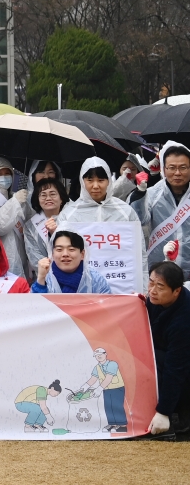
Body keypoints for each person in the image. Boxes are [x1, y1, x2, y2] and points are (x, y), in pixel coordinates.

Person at [0, 156, 46, 281]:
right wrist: (15, 203)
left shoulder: (16, 196)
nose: (4, 177)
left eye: (7, 173)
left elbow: (31, 221)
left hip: (21, 256)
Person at [147, 261, 190, 438]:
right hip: (165, 356)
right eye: (151, 282)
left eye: (160, 286)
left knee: (157, 359)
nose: (152, 290)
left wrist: (163, 412)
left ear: (176, 291)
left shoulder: (184, 322)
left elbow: (176, 368)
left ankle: (180, 414)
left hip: (182, 368)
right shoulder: (154, 300)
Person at [141, 143, 190, 277]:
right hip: (160, 270)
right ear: (164, 169)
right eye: (172, 168)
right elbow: (140, 219)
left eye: (183, 168)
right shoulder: (152, 194)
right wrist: (139, 194)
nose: (177, 173)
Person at [31, 230, 111, 294]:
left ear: (82, 254)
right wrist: (41, 278)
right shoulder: (46, 278)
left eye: (71, 249)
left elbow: (107, 307)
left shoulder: (94, 279)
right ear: (53, 254)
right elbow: (35, 307)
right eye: (59, 249)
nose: (65, 254)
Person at [84, 347, 129, 433]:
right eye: (96, 355)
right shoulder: (97, 367)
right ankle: (112, 424)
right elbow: (93, 379)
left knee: (117, 406)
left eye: (100, 354)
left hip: (117, 388)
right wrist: (84, 386)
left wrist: (98, 389)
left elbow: (109, 378)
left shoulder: (112, 364)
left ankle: (122, 426)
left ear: (105, 354)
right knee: (108, 407)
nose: (99, 356)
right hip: (106, 389)